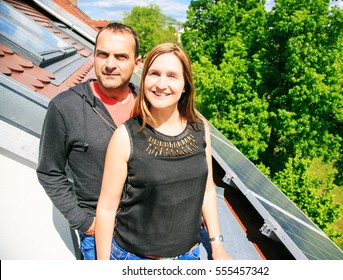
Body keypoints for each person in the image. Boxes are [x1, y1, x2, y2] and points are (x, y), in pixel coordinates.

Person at [95, 43, 232, 260]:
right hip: (134, 258)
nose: (161, 84)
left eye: (172, 76)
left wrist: (217, 246)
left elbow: (206, 190)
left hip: (189, 257)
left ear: (185, 84)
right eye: (154, 73)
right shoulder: (125, 137)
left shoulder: (200, 129)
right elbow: (106, 208)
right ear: (144, 78)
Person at [36, 22, 142, 260]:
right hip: (99, 240)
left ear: (136, 63)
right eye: (102, 54)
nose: (110, 64)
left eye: (121, 56)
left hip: (147, 236)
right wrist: (83, 222)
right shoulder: (65, 107)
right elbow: (49, 172)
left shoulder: (148, 106)